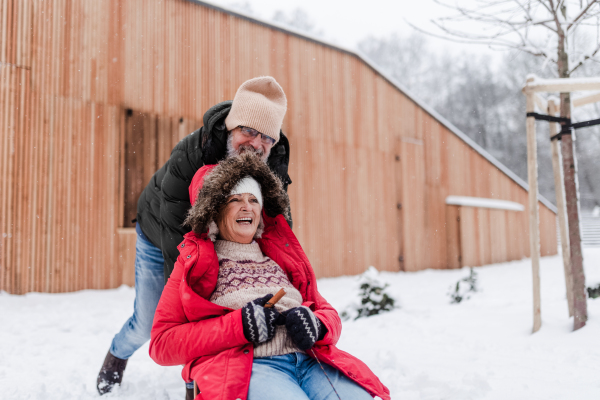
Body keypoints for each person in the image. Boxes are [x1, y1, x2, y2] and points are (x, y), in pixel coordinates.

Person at [97, 76, 293, 395]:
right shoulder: (194, 151)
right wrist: (191, 297)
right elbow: (178, 229)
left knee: (223, 315)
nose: (256, 143)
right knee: (151, 319)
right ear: (232, 126)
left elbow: (279, 231)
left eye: (266, 136)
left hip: (222, 240)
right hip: (160, 232)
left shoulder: (273, 165)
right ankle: (116, 356)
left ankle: (200, 380)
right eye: (249, 130)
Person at [149, 152, 391, 400]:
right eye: (235, 199)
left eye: (254, 199)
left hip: (312, 363)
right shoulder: (195, 263)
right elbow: (162, 344)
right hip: (251, 367)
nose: (247, 206)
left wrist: (317, 325)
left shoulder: (279, 255)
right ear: (214, 211)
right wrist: (239, 326)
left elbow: (328, 314)